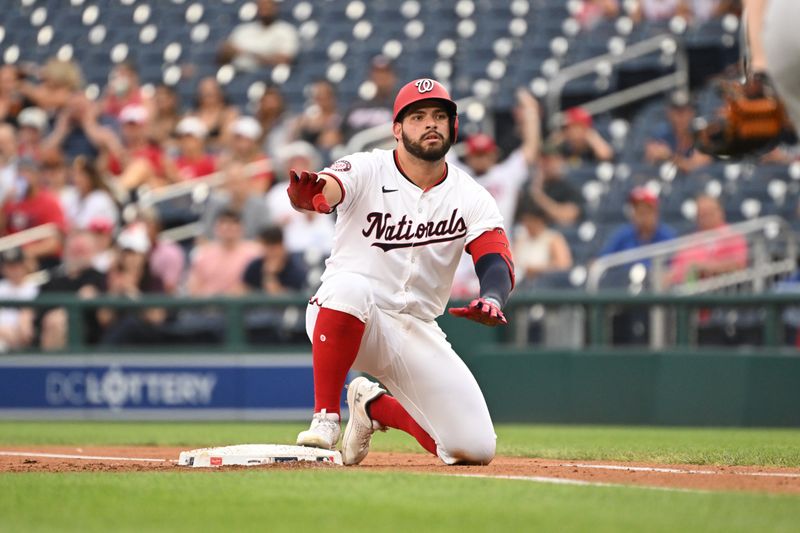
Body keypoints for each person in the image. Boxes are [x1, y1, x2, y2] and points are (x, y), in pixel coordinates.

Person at [289, 78, 514, 466]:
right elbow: (329, 187)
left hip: (416, 328)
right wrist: (315, 194)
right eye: (418, 117)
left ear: (453, 127)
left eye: (440, 116)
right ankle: (325, 418)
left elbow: (494, 256)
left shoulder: (470, 195)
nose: (431, 124)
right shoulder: (367, 167)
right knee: (350, 287)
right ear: (397, 129)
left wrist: (493, 296)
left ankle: (373, 406)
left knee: (474, 448)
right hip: (348, 315)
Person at [457, 88, 541, 230]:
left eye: (484, 154)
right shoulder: (457, 175)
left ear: (494, 155)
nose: (481, 159)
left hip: (500, 249)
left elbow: (531, 147)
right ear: (468, 157)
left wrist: (531, 112)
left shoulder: (506, 174)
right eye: (477, 154)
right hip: (464, 251)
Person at [669, 194, 748, 285]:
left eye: (710, 213)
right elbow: (676, 270)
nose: (706, 218)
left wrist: (705, 268)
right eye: (702, 214)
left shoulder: (732, 236)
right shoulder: (691, 241)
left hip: (722, 290)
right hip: (689, 291)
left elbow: (738, 265)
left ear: (720, 212)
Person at [217, 0, 300, 72]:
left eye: (268, 6)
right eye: (262, 6)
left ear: (275, 8)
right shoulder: (242, 30)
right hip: (238, 74)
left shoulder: (286, 31)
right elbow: (224, 55)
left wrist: (246, 53)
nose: (265, 9)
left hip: (269, 77)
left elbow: (283, 60)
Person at [515, 143, 585, 227]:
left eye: (549, 160)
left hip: (555, 234)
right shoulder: (527, 186)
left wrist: (539, 196)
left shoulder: (569, 186)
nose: (545, 164)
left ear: (560, 160)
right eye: (541, 160)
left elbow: (567, 216)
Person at [644, 91, 712, 173]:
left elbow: (696, 168)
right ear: (669, 113)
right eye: (676, 112)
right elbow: (650, 156)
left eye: (684, 112)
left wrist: (668, 156)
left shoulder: (700, 135)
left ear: (692, 113)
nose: (680, 118)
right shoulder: (661, 134)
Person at [599, 187, 677, 257]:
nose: (642, 217)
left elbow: (677, 265)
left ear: (655, 212)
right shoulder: (623, 235)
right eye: (638, 212)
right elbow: (602, 261)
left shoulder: (667, 236)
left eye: (646, 211)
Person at [342, 55, 398, 141]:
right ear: (370, 76)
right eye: (377, 73)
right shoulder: (357, 104)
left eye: (385, 72)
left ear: (393, 77)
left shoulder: (399, 104)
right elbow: (341, 131)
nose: (381, 77)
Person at [513, 205, 573, 284]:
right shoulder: (520, 239)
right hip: (520, 284)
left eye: (530, 221)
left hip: (545, 284)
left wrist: (536, 269)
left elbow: (564, 265)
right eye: (525, 221)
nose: (527, 225)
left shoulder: (553, 238)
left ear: (539, 221)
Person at [547, 107, 614, 165]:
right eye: (567, 127)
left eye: (573, 127)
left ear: (583, 128)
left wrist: (591, 136)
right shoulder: (565, 147)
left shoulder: (592, 146)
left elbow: (605, 155)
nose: (569, 131)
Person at [0, 247, 38, 351]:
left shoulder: (35, 288)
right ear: (3, 268)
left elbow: (26, 332)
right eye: (10, 266)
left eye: (17, 265)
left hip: (20, 343)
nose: (15, 270)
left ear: (24, 265)